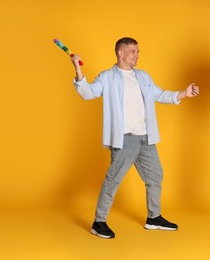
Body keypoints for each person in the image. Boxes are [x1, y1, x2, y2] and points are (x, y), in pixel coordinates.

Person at [71, 37, 199, 239]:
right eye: (133, 51)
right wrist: (78, 70)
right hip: (125, 139)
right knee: (113, 180)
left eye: (138, 51)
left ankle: (154, 217)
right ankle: (99, 222)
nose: (137, 55)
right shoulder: (107, 77)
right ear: (120, 53)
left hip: (145, 138)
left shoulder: (143, 76)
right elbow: (88, 93)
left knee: (155, 176)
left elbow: (159, 94)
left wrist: (183, 93)